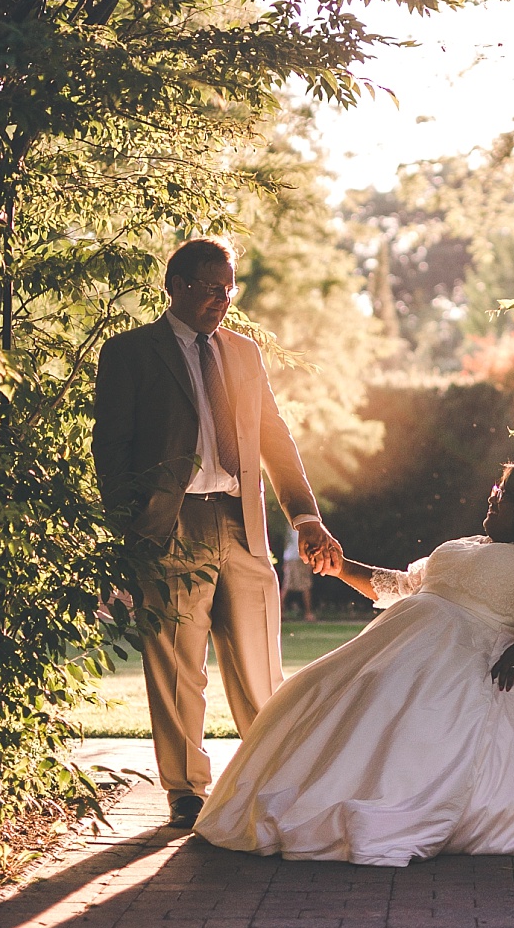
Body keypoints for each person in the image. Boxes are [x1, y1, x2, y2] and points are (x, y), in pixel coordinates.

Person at [194, 463, 514, 865]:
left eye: (503, 494)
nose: (492, 497)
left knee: (395, 698)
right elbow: (401, 585)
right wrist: (340, 568)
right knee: (317, 689)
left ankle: (367, 808)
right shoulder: (472, 546)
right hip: (393, 640)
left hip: (461, 652)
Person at [91, 238, 342, 829]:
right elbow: (111, 448)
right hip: (169, 525)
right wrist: (134, 528)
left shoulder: (245, 353)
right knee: (178, 666)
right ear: (173, 286)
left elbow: (275, 438)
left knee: (260, 664)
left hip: (242, 521)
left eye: (227, 287)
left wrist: (306, 515)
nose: (218, 299)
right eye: (206, 287)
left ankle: (269, 779)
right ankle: (185, 791)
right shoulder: (130, 353)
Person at [280, 526, 316, 622]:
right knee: (305, 585)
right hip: (299, 558)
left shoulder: (289, 526)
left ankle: (279, 613)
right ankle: (308, 613)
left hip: (290, 558)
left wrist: (285, 560)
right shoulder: (301, 525)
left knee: (287, 586)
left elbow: (287, 543)